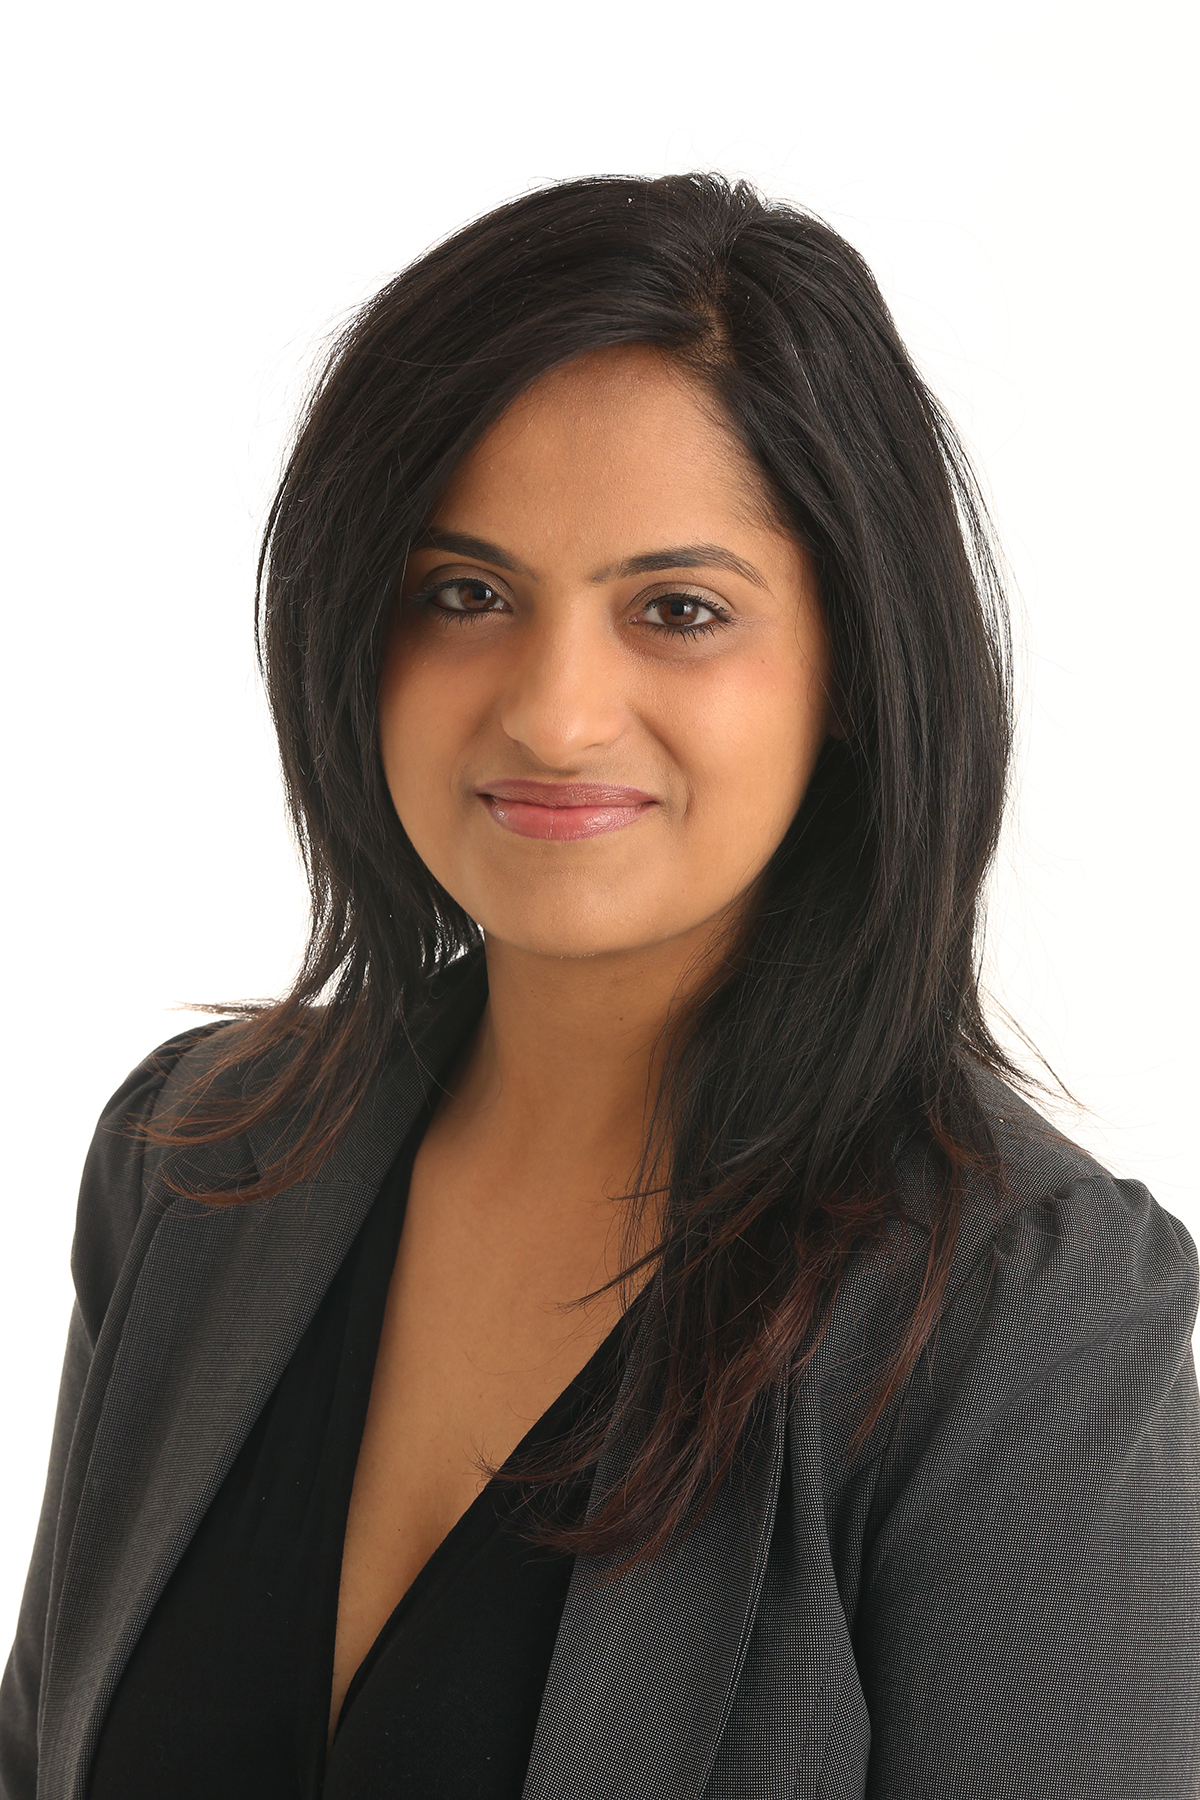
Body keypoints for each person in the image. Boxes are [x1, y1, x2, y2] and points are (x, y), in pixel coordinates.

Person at [2, 172, 1197, 1800]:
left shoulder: (1014, 1317)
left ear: (855, 670)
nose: (556, 714)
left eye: (678, 611)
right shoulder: (194, 1163)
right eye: (467, 595)